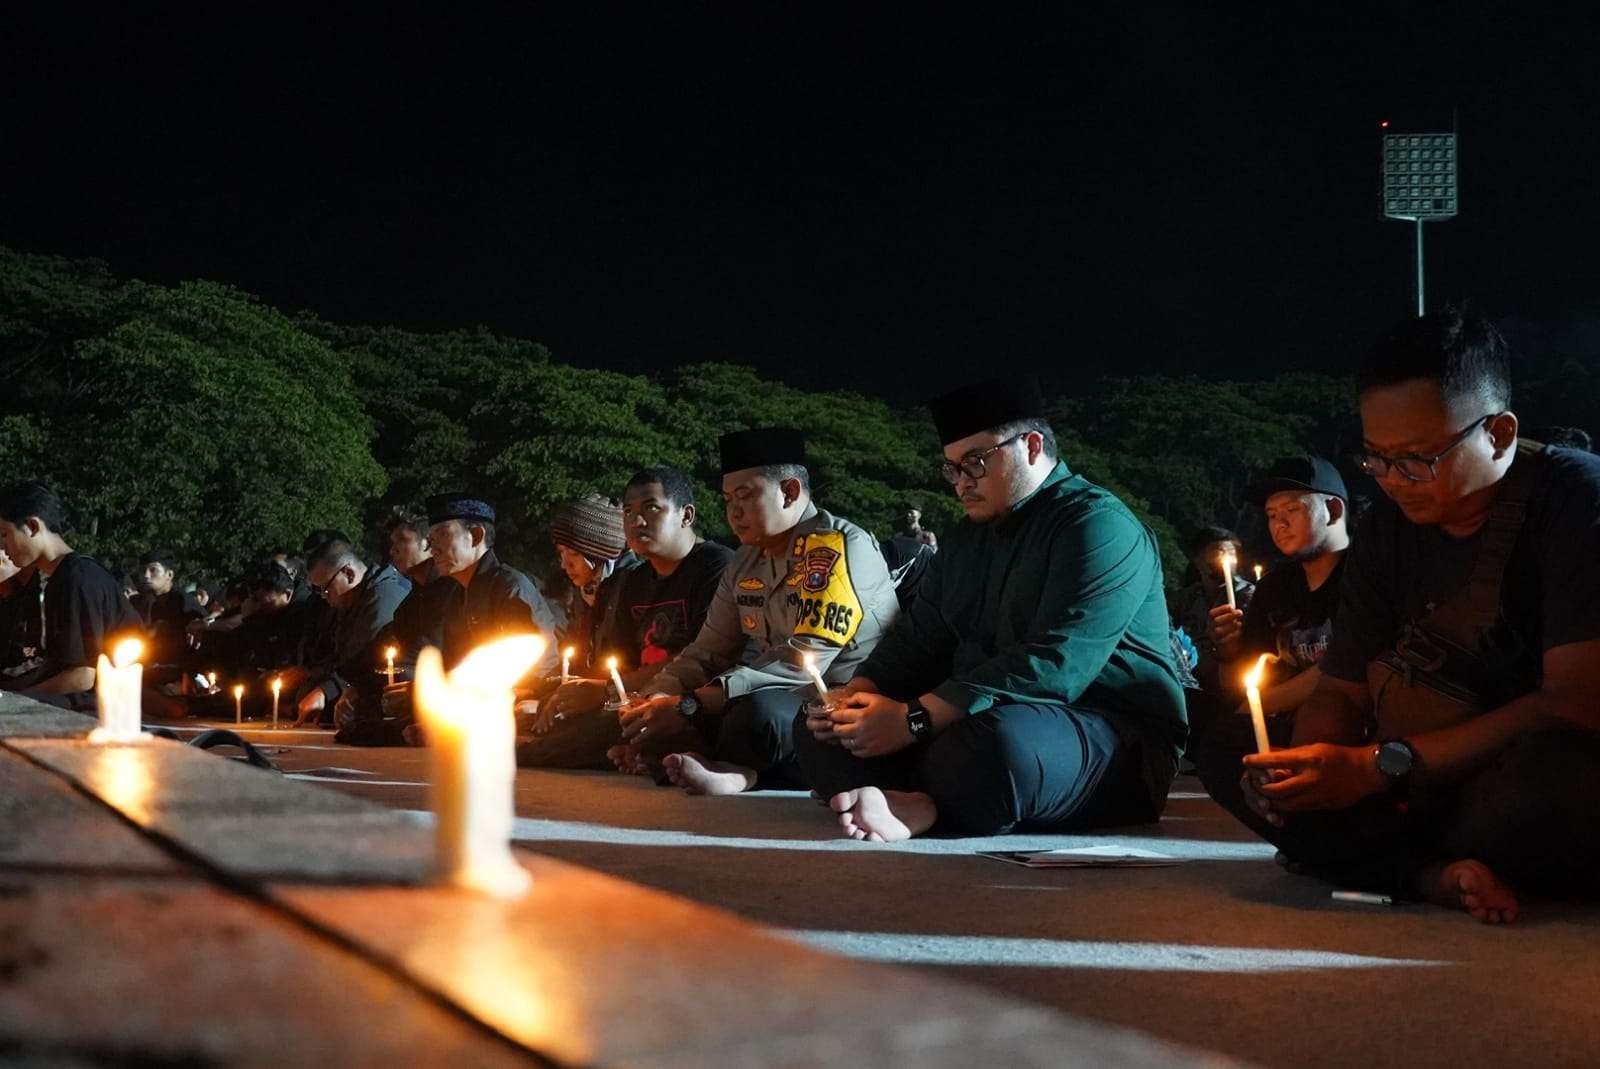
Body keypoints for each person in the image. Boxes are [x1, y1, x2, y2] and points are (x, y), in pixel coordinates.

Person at [1201, 306, 1600, 924]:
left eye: (1417, 458)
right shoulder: (1387, 525)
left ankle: (1382, 860)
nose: (1394, 481)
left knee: (1551, 785)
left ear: (1498, 434)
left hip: (1509, 764)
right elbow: (1340, 686)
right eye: (1376, 460)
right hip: (1404, 777)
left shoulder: (1573, 501)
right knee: (1235, 752)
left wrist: (1376, 768)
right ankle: (1430, 873)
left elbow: (1575, 703)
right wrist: (1309, 772)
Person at [791, 377, 1186, 841]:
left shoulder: (1098, 525)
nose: (961, 482)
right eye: (952, 469)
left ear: (1033, 446)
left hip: (1105, 731)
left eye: (975, 463)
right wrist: (857, 692)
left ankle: (923, 802)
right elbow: (920, 639)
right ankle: (921, 799)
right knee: (819, 727)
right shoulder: (964, 540)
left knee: (996, 746)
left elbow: (1057, 664)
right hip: (967, 720)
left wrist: (914, 719)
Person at [616, 429, 899, 792]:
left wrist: (691, 705)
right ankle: (695, 757)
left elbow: (801, 663)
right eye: (728, 498)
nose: (733, 511)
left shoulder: (833, 548)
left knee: (756, 714)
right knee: (655, 715)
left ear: (790, 492)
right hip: (761, 694)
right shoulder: (745, 562)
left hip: (836, 698)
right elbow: (707, 650)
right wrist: (658, 696)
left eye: (746, 496)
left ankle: (738, 772)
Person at [520, 467, 734, 768]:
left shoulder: (717, 567)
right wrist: (573, 693)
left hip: (688, 703)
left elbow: (704, 658)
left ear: (686, 516)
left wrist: (605, 691)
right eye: (628, 511)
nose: (637, 521)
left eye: (651, 508)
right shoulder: (635, 581)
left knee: (588, 736)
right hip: (633, 699)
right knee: (560, 719)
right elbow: (619, 661)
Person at [1198, 456, 1350, 749]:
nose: (1279, 524)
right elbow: (1241, 681)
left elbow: (1345, 668)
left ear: (1332, 510)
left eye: (1292, 509)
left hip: (1348, 721)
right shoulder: (1274, 588)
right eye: (1271, 514)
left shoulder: (1364, 575)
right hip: (1280, 722)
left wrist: (1250, 709)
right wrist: (1228, 650)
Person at [0, 481, 140, 708]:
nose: (3, 547)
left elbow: (82, 677)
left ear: (33, 527)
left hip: (108, 705)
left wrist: (14, 701)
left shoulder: (77, 578)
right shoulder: (51, 579)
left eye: (5, 534)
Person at [293, 539, 411, 727]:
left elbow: (366, 659)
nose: (324, 597)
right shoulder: (349, 602)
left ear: (348, 573)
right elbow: (340, 657)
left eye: (325, 589)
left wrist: (328, 690)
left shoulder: (382, 598)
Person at [547, 492, 637, 670]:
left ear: (598, 554)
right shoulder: (585, 591)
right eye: (561, 553)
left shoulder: (634, 585)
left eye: (574, 554)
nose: (565, 565)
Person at [1168, 525, 1254, 690]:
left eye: (1232, 553)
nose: (1229, 558)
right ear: (1199, 560)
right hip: (1193, 681)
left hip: (1235, 680)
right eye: (1221, 551)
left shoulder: (1248, 596)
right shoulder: (1186, 598)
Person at [128, 549, 203, 666]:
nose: (146, 575)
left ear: (169, 575)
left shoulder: (184, 603)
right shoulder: (142, 602)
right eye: (143, 570)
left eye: (153, 570)